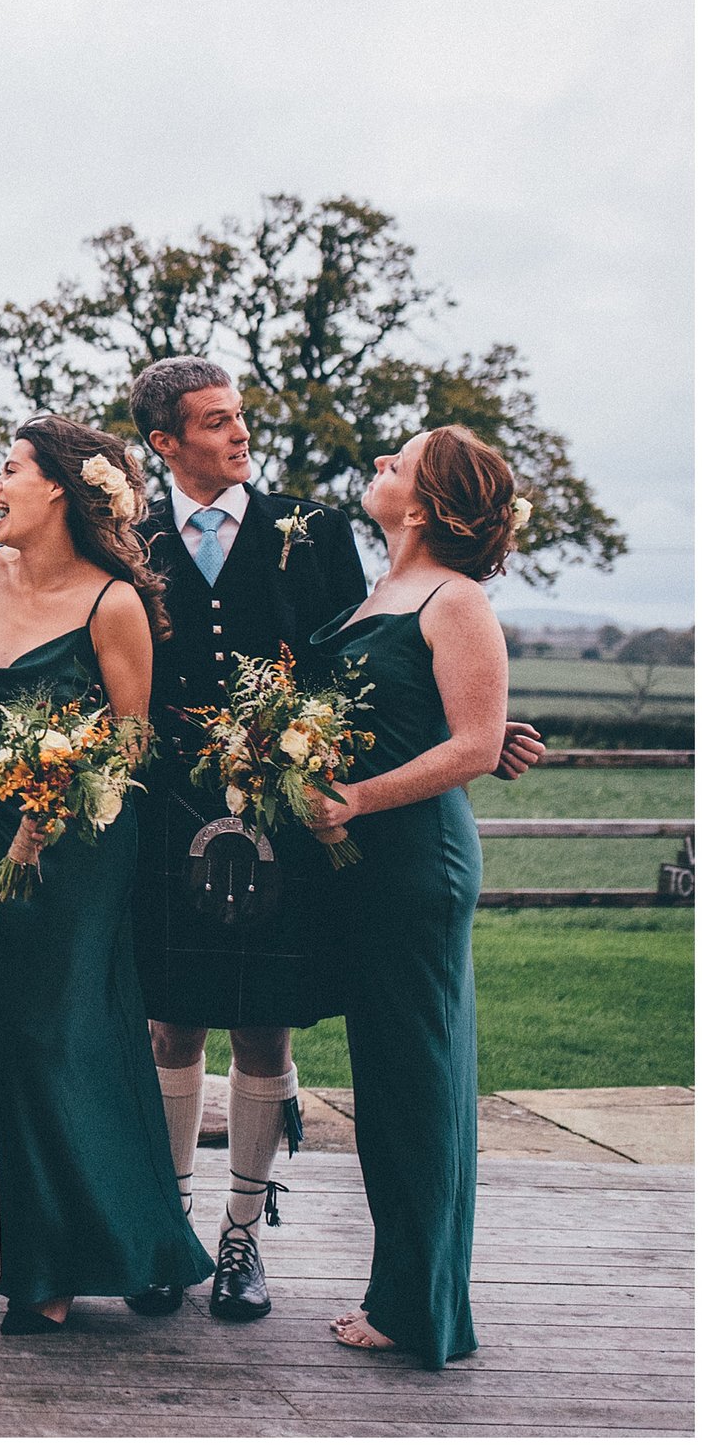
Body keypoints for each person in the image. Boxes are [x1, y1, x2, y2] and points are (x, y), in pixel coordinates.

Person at [126, 358, 546, 1322]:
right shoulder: (133, 539)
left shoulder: (310, 531)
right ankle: (170, 1230)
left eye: (242, 416)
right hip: (171, 814)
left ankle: (242, 1239)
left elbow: (351, 683)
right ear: (165, 443)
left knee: (263, 1018)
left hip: (299, 821)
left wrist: (470, 735)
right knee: (172, 1017)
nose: (240, 434)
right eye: (215, 421)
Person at [0, 415, 211, 1334]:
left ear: (60, 489)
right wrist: (8, 808)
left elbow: (135, 737)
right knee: (22, 1048)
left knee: (68, 1035)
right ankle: (87, 1254)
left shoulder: (114, 602)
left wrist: (57, 792)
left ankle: (84, 1265)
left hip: (84, 846)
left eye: (10, 469)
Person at [302, 425, 518, 1369]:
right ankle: (407, 1290)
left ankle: (420, 1310)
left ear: (425, 505)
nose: (380, 464)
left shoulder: (456, 598)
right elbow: (407, 714)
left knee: (417, 1090)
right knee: (388, 1087)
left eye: (400, 461)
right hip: (362, 868)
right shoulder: (381, 592)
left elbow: (474, 744)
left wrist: (352, 797)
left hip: (414, 864)